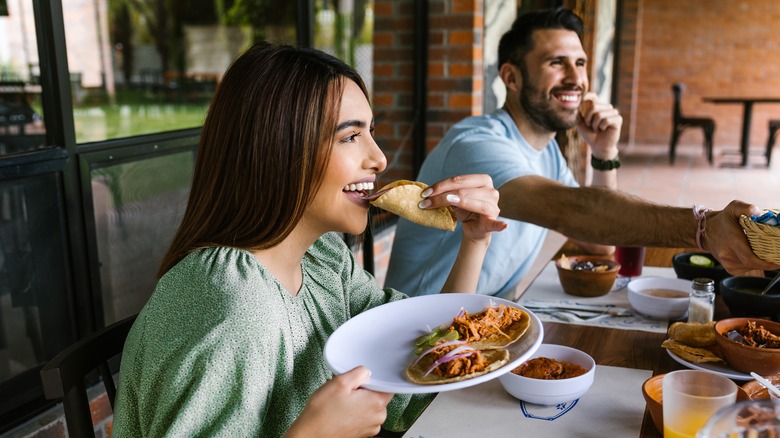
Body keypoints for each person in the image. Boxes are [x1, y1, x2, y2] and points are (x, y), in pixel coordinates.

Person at [112, 43, 506, 438]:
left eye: (371, 132)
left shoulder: (322, 256)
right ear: (278, 149)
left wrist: (474, 242)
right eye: (350, 136)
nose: (380, 158)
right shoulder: (229, 305)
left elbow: (418, 368)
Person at [384, 7, 779, 297]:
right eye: (557, 63)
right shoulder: (477, 144)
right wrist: (703, 228)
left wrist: (604, 154)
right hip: (419, 334)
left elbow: (598, 244)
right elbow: (573, 212)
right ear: (511, 77)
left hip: (478, 325)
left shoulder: (547, 152)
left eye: (580, 63)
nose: (576, 79)